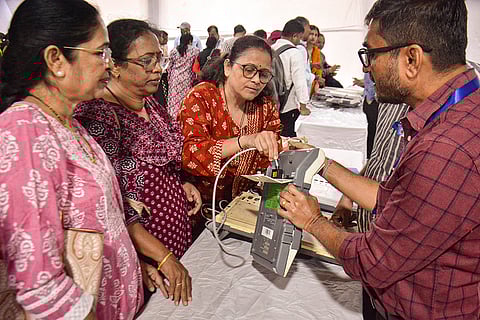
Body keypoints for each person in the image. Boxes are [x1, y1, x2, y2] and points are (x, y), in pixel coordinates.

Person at [278, 0, 480, 319]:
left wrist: (312, 221)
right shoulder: (457, 113)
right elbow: (392, 198)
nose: (366, 66)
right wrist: (321, 162)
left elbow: (374, 262)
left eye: (371, 53)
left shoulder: (446, 148)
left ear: (411, 58)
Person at [0, 1, 146, 319]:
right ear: (56, 59)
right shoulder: (25, 128)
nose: (109, 66)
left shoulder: (68, 121)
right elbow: (39, 282)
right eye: (101, 53)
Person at [74, 19, 202, 307]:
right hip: (144, 259)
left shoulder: (149, 102)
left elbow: (162, 157)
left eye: (159, 58)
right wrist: (157, 257)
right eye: (146, 61)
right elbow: (109, 209)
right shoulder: (100, 117)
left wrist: (181, 181)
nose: (158, 68)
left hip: (170, 245)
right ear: (115, 66)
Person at [180, 35, 281, 203]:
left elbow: (272, 159)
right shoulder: (202, 97)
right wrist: (245, 141)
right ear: (227, 67)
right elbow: (190, 153)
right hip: (198, 204)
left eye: (264, 74)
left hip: (242, 207)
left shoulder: (265, 108)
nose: (256, 80)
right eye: (248, 70)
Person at [332, 102, 409, 319]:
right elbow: (378, 160)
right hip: (368, 245)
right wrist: (347, 199)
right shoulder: (389, 99)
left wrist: (313, 223)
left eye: (370, 64)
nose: (367, 72)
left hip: (394, 275)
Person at [271, 19, 310, 137]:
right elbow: (300, 81)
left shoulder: (270, 49)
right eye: (299, 38)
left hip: (270, 105)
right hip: (288, 107)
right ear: (294, 36)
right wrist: (303, 106)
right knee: (287, 140)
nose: (299, 42)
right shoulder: (295, 53)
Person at [167, 33, 200, 120]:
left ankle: (173, 120)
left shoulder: (174, 51)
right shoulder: (195, 50)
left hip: (175, 78)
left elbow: (169, 67)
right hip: (187, 78)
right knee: (185, 100)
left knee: (174, 102)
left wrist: (169, 78)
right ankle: (184, 119)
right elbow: (195, 65)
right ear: (190, 41)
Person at [307, 25, 325, 95]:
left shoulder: (317, 52)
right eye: (311, 34)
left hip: (313, 86)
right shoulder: (301, 49)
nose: (313, 37)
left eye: (316, 35)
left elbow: (319, 71)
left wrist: (319, 79)